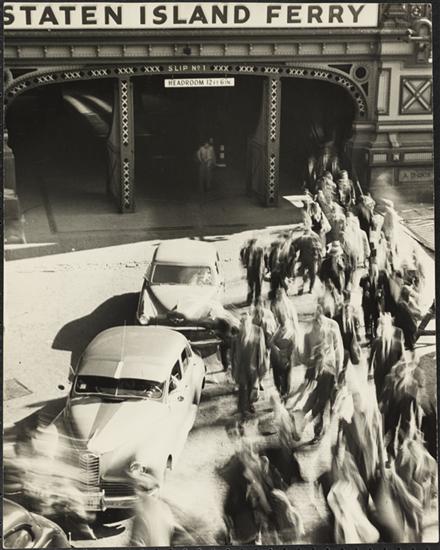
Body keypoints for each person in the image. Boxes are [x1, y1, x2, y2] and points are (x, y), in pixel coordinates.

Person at [302, 304, 344, 441]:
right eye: (314, 319)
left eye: (318, 319)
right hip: (318, 373)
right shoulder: (308, 334)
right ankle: (318, 431)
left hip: (331, 372)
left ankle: (329, 430)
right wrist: (313, 359)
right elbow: (306, 357)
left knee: (329, 402)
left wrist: (339, 372)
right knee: (320, 400)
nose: (316, 322)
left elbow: (338, 351)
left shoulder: (332, 328)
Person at [368, 313, 405, 400]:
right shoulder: (377, 342)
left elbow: (403, 359)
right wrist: (369, 372)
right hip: (381, 374)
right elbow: (371, 358)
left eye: (383, 325)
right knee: (382, 396)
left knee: (389, 397)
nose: (382, 327)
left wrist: (399, 371)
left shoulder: (397, 342)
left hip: (390, 374)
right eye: (381, 325)